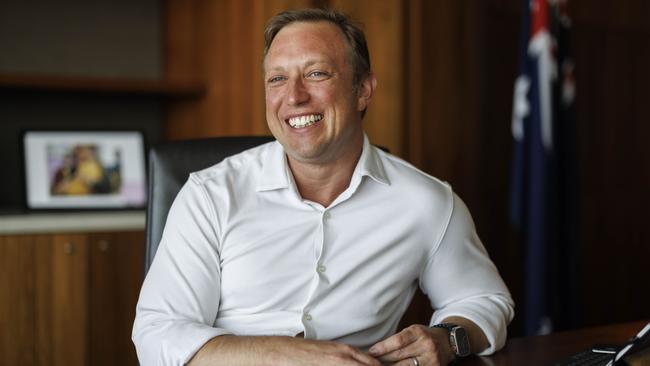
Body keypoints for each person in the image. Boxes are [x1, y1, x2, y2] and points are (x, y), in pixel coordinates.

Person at [133, 8, 514, 366]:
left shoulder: (426, 202)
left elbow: (485, 300)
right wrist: (288, 355)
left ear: (363, 90)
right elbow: (157, 335)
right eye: (278, 78)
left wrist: (447, 339)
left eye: (316, 73)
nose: (294, 97)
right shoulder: (209, 195)